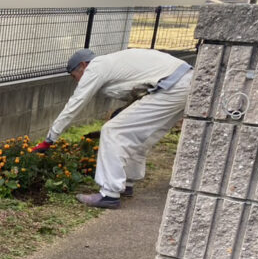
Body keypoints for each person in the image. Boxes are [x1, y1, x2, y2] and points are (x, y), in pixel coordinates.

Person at [33, 47, 192, 209]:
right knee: (139, 136)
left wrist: (50, 139)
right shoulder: (112, 63)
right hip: (184, 83)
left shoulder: (96, 67)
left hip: (172, 86)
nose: (78, 82)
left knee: (112, 131)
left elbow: (75, 104)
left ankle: (109, 194)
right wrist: (123, 112)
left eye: (76, 77)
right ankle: (126, 183)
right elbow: (140, 91)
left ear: (83, 65)